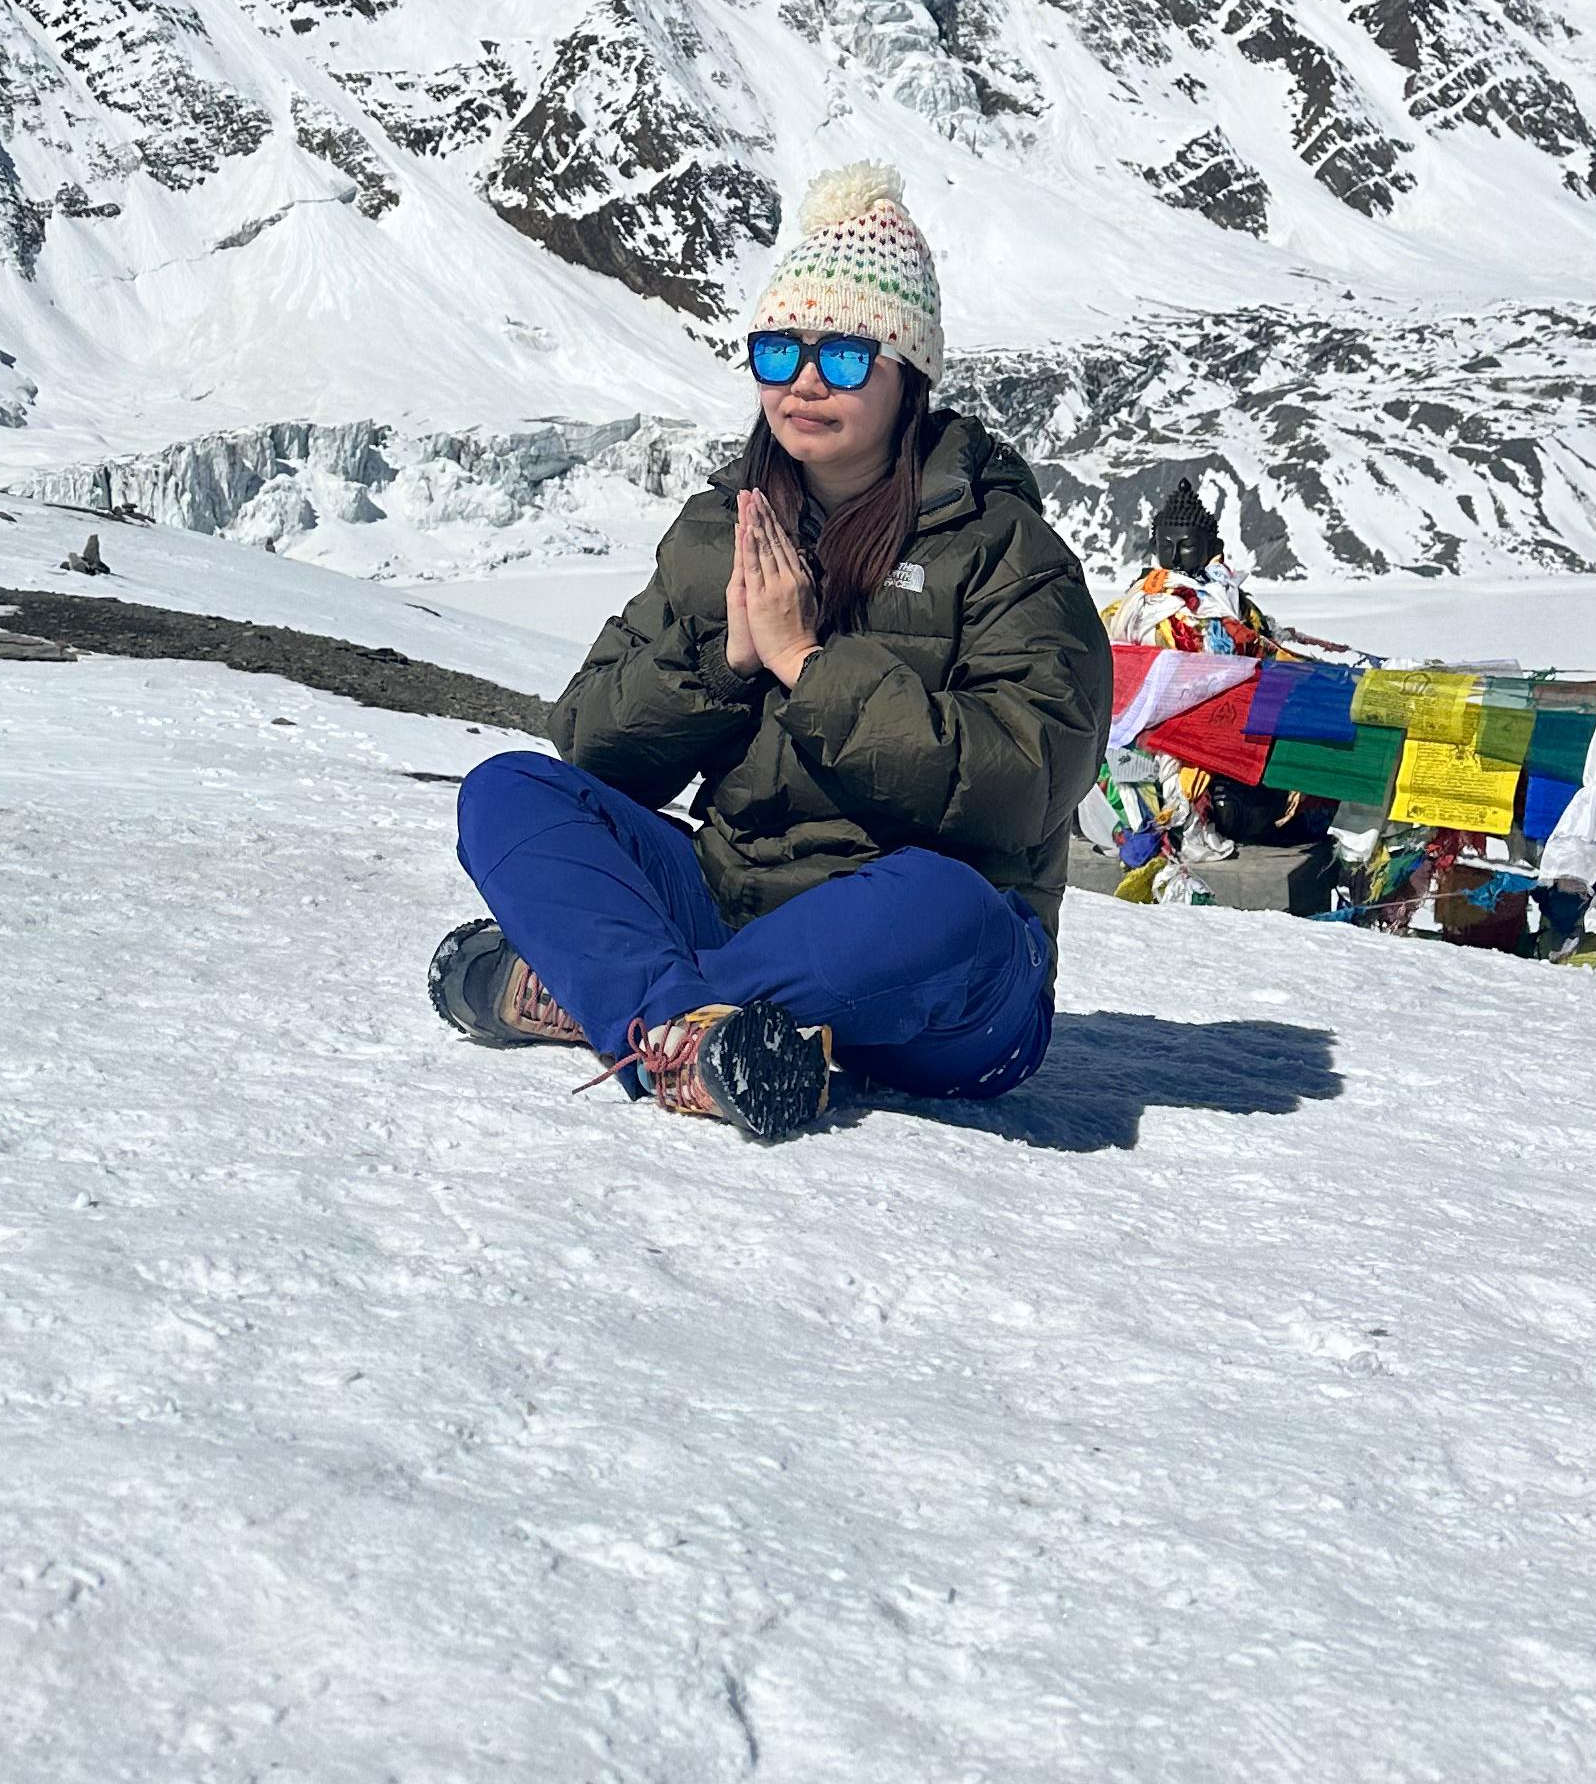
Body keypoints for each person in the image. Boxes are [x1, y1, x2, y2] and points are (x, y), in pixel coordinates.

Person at [432, 163, 1112, 1141]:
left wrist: (808, 666)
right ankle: (696, 1028)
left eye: (846, 357)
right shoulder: (720, 529)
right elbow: (590, 742)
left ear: (909, 374)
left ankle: (621, 999)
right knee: (510, 790)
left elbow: (1028, 786)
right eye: (779, 350)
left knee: (949, 907)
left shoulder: (1004, 550)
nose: (804, 381)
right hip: (734, 904)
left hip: (932, 974)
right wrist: (725, 664)